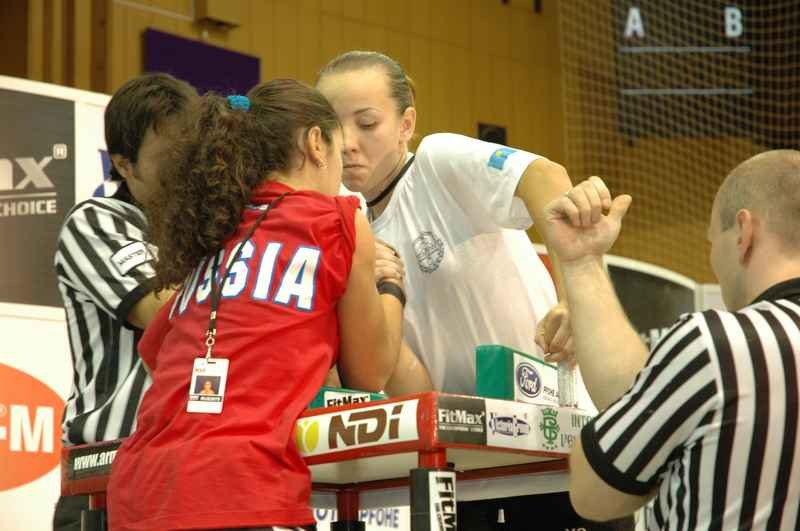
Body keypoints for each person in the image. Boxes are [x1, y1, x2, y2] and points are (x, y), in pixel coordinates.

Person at [107, 79, 404, 531]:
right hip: (243, 489)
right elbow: (371, 374)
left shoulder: (212, 234)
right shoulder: (338, 220)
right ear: (316, 144)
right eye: (340, 154)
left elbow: (158, 350)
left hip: (139, 491)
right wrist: (391, 287)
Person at [538, 152, 800, 529]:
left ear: (743, 233)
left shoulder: (716, 345)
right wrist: (583, 263)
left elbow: (594, 492)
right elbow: (652, 406)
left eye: (713, 241)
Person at [316, 50, 580, 399]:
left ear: (405, 125)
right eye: (332, 127)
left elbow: (547, 177)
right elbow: (411, 382)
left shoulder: (437, 163)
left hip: (556, 416)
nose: (347, 143)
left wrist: (576, 303)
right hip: (467, 441)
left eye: (366, 124)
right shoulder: (351, 228)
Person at [52, 73, 196, 531]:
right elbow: (163, 314)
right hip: (108, 479)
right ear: (124, 164)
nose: (185, 168)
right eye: (168, 156)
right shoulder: (96, 222)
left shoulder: (214, 229)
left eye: (192, 152)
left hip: (197, 471)